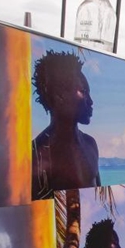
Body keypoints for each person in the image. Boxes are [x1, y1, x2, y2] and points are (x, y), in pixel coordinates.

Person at [31, 49, 100, 200]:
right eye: (83, 91)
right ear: (60, 95)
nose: (90, 101)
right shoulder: (37, 155)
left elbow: (99, 201)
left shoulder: (90, 144)